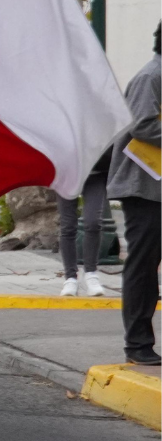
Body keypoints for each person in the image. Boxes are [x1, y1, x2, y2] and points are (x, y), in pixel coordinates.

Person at [107, 23, 160, 365]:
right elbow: (143, 124)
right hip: (144, 189)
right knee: (143, 265)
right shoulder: (151, 76)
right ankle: (138, 345)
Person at [58, 157, 109, 296]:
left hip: (96, 172)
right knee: (67, 226)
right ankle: (70, 278)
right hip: (67, 174)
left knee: (93, 222)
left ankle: (91, 274)